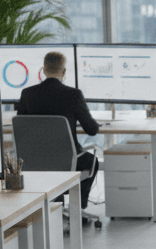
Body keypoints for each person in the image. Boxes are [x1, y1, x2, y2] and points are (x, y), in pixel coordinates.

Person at [15, 50, 101, 207]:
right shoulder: (73, 95)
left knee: (54, 167)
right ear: (64, 71)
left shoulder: (27, 94)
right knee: (92, 161)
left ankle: (55, 204)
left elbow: (21, 127)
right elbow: (91, 129)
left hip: (35, 163)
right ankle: (78, 207)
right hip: (68, 162)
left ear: (44, 70)